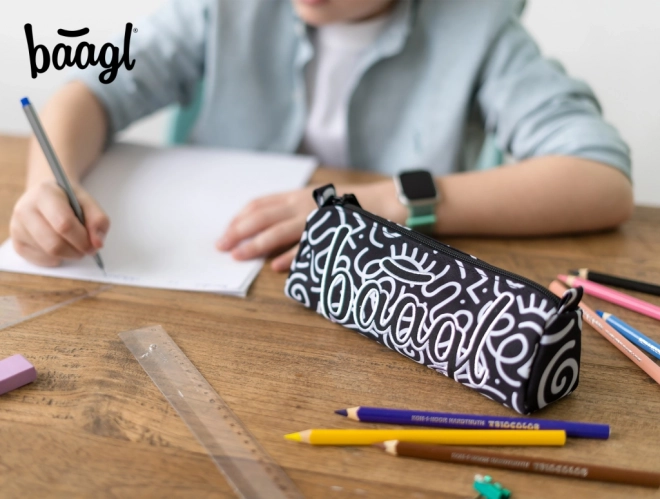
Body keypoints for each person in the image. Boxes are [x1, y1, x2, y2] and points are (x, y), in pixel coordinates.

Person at [10, 0, 633, 272]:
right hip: (220, 284)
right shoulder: (221, 8)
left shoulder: (481, 28)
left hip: (380, 295)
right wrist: (47, 185)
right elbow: (92, 94)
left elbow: (600, 178)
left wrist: (388, 203)